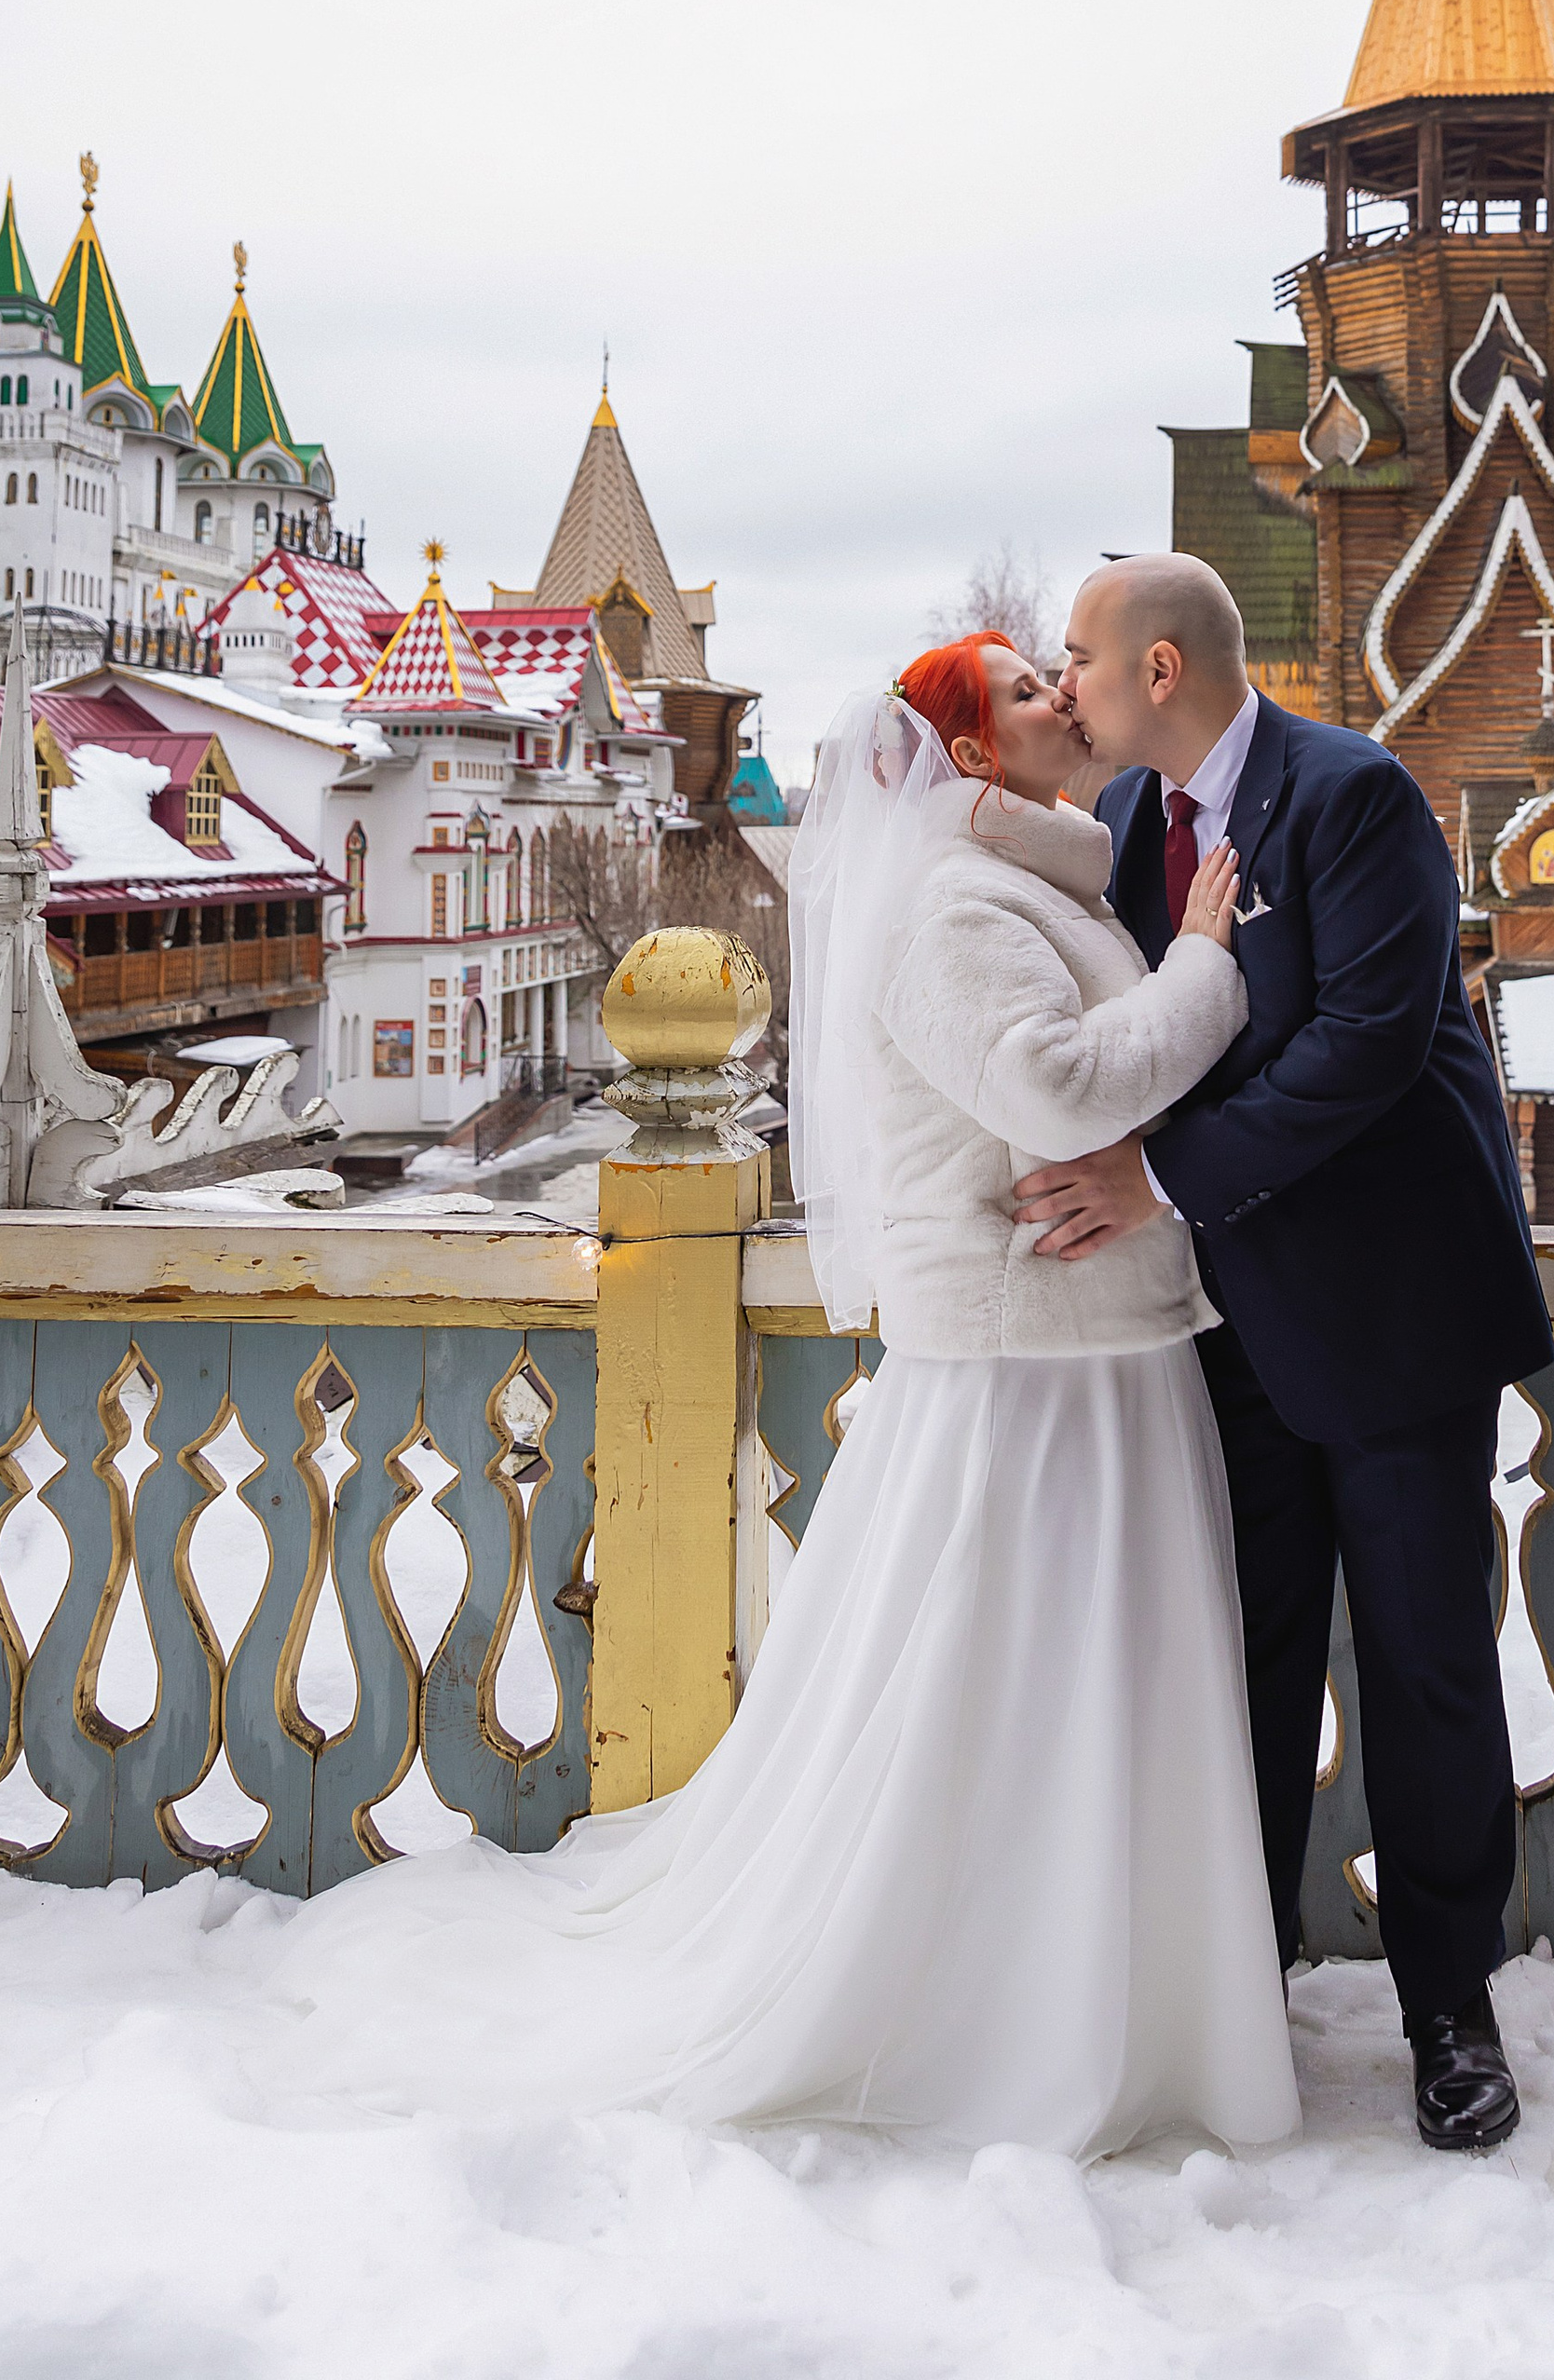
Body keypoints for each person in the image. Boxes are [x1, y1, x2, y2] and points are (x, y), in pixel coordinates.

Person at [284, 631, 1298, 2163]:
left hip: (1093, 1351)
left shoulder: (1039, 884)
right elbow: (1061, 1092)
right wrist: (1210, 970)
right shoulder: (962, 903)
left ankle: (1110, 1993)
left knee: (1084, 1693)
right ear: (968, 759)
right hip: (1035, 1374)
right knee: (1022, 1694)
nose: (1062, 700)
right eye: (1029, 691)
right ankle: (1017, 2012)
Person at [1016, 554, 1553, 2154]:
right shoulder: (1121, 830)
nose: (1067, 689)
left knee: (1424, 1664)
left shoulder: (1356, 796)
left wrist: (1156, 1180)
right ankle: (1234, 1987)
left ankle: (1451, 2011)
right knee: (1235, 1663)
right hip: (1226, 1316)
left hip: (1392, 1312)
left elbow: (1368, 1047)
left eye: (1081, 665)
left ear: (1162, 669)